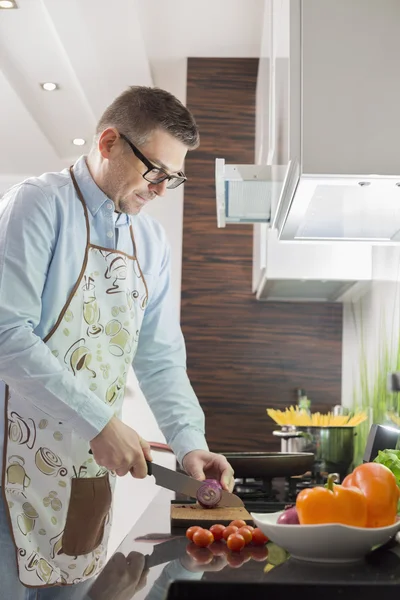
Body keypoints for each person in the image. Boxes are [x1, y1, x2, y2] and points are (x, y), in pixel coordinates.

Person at [0, 86, 234, 598]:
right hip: (8, 469)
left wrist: (191, 443)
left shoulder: (149, 243)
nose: (161, 190)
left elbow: (161, 357)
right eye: (156, 172)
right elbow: (6, 335)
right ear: (109, 142)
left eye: (174, 177)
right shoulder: (37, 205)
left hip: (84, 475)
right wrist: (100, 422)